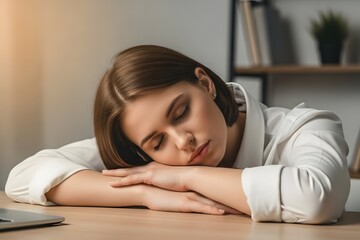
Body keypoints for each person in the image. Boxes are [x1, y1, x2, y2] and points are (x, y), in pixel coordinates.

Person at [5, 45, 350, 224]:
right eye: (157, 142)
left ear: (204, 83)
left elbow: (317, 198)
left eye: (181, 111)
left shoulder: (306, 127)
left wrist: (184, 176)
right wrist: (145, 194)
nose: (181, 140)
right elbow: (21, 178)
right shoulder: (149, 160)